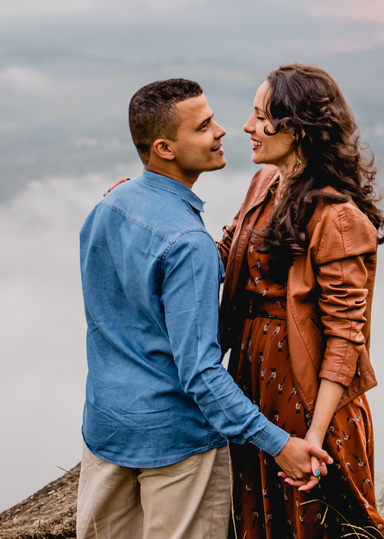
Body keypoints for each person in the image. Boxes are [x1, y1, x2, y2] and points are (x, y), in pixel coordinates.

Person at [77, 78, 332, 539]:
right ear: (165, 148)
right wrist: (279, 445)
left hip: (107, 428)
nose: (221, 131)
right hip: (177, 443)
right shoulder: (186, 242)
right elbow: (200, 373)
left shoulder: (108, 206)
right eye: (204, 126)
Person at [219, 64, 384, 539]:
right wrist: (148, 203)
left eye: (261, 117)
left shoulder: (337, 218)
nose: (247, 127)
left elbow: (345, 336)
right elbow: (224, 251)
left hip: (306, 395)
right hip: (252, 383)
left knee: (317, 526)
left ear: (297, 129)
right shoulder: (266, 184)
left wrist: (314, 436)